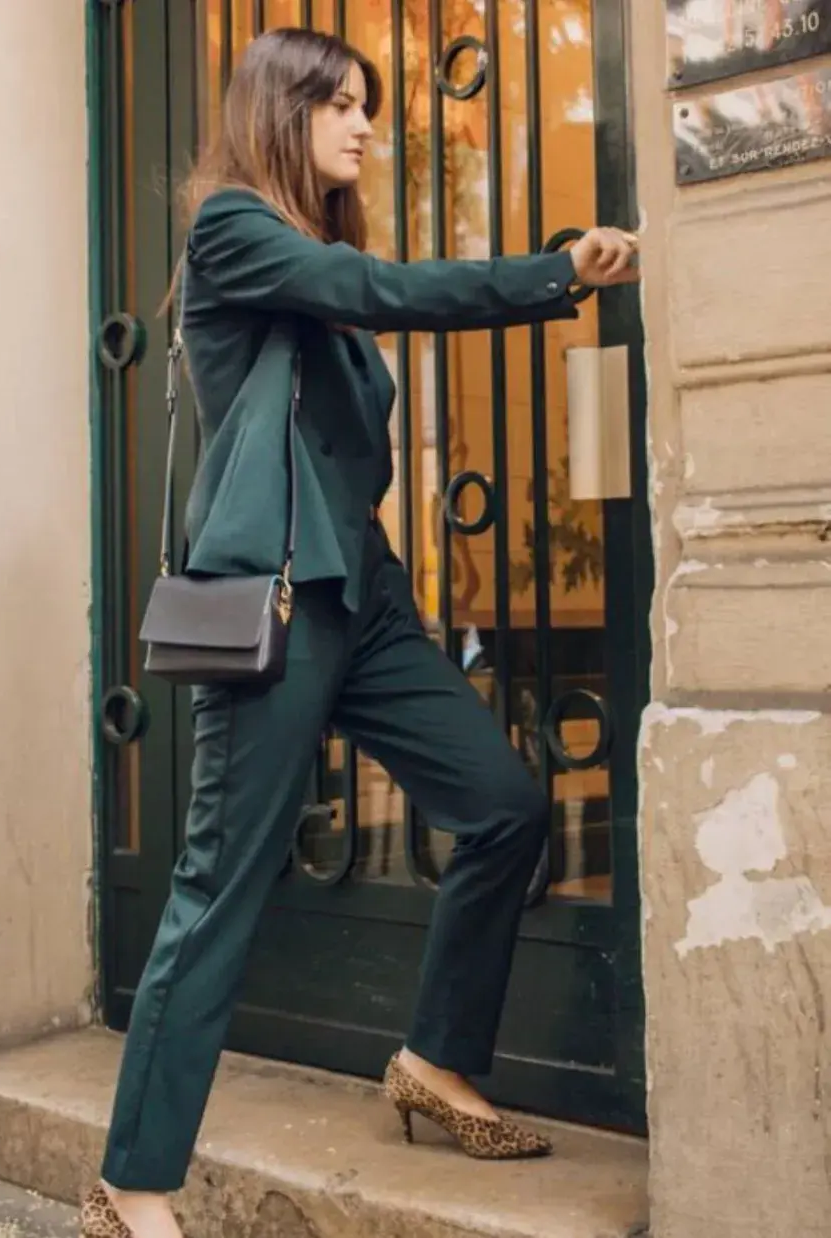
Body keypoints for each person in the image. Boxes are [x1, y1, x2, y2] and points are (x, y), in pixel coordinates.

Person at [80, 26, 639, 1238]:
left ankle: (436, 1059)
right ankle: (133, 1184)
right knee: (216, 891)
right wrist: (560, 275)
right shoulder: (232, 229)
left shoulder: (313, 254)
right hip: (275, 607)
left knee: (504, 801)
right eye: (338, 103)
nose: (365, 124)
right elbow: (381, 294)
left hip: (364, 597)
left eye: (368, 106)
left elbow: (352, 339)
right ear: (281, 112)